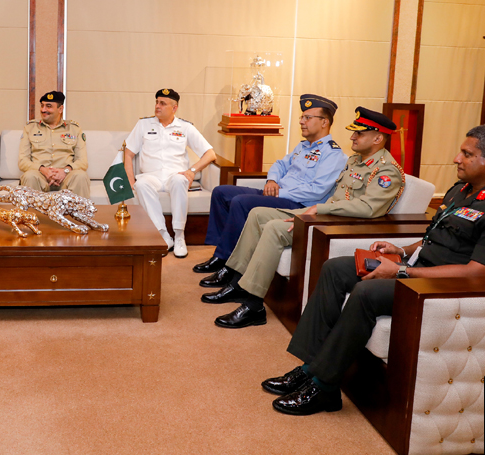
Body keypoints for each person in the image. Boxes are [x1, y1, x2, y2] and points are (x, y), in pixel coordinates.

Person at [267, 124, 485, 415]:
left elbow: (479, 272)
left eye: (467, 154)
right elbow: (438, 238)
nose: (457, 158)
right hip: (418, 270)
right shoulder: (462, 191)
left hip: (444, 290)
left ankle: (324, 386)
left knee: (366, 291)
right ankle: (309, 368)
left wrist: (402, 272)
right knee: (335, 269)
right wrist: (401, 252)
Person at [203, 107, 404, 329]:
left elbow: (367, 208)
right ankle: (237, 281)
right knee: (257, 213)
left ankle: (253, 306)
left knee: (273, 228)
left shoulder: (387, 171)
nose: (352, 137)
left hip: (339, 224)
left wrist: (321, 209)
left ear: (377, 138)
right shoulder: (356, 160)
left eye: (359, 133)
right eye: (353, 132)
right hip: (325, 214)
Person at [195, 94, 348, 282]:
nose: (301, 122)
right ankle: (221, 255)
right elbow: (279, 165)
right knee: (221, 192)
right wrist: (272, 181)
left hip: (296, 204)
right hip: (277, 193)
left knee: (240, 202)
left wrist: (279, 192)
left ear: (324, 122)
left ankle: (229, 265)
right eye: (302, 117)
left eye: (307, 117)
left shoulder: (333, 154)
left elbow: (317, 190)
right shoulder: (303, 147)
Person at [124, 88, 216, 258]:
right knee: (141, 183)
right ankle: (163, 235)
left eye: (162, 103)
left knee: (181, 180)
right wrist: (130, 181)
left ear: (174, 108)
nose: (157, 106)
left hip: (175, 176)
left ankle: (180, 236)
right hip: (151, 176)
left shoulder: (185, 127)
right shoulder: (143, 125)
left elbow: (210, 154)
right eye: (156, 102)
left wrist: (192, 171)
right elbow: (128, 153)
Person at [18, 91, 90, 198]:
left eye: (49, 106)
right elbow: (23, 161)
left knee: (81, 176)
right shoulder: (30, 128)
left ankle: (78, 214)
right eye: (42, 106)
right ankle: (33, 215)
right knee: (29, 176)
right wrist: (43, 170)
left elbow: (82, 162)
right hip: (39, 176)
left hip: (66, 177)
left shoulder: (74, 129)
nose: (43, 110)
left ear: (60, 109)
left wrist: (64, 171)